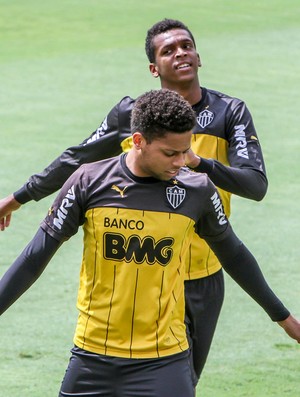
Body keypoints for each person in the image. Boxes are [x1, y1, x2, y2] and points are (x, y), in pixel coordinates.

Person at [0, 19, 297, 385]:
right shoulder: (132, 115)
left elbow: (255, 185)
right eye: (168, 50)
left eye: (186, 45)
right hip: (142, 270)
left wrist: (198, 164)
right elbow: (76, 159)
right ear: (154, 68)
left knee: (178, 379)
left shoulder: (228, 113)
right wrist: (19, 197)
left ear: (199, 56)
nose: (181, 53)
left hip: (200, 277)